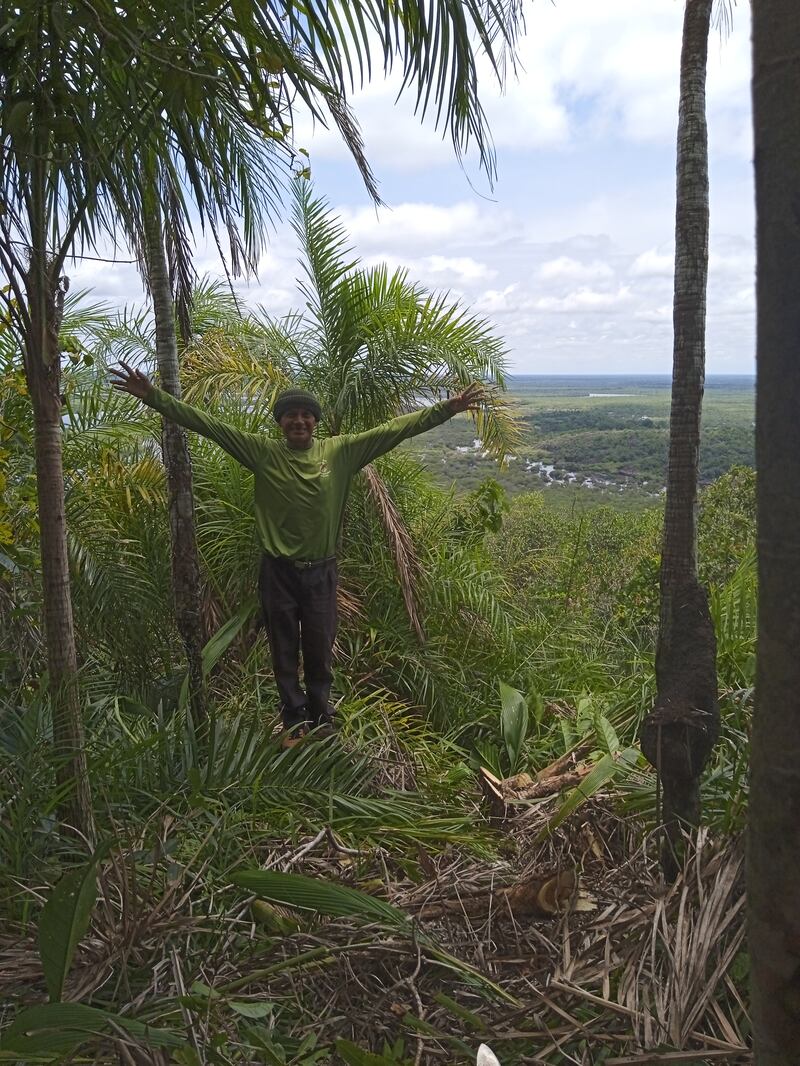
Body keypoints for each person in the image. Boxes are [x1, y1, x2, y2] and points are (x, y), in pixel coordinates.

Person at [111, 362, 483, 744]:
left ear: (316, 420)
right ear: (280, 422)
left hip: (321, 572)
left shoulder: (341, 453)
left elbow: (396, 429)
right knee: (283, 648)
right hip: (278, 572)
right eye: (291, 415)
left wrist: (446, 408)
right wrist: (154, 397)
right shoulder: (263, 453)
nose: (299, 421)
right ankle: (293, 719)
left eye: (306, 414)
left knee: (320, 648)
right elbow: (207, 424)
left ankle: (323, 719)